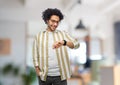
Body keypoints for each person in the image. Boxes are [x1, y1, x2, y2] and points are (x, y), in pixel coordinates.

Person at [32, 8, 80, 85]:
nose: (55, 24)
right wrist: (37, 70)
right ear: (47, 20)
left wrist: (64, 42)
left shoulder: (63, 34)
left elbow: (77, 44)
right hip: (44, 76)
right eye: (53, 21)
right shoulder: (39, 36)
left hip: (60, 76)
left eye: (57, 22)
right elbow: (35, 55)